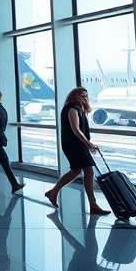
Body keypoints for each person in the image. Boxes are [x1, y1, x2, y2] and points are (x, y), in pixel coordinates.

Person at [44, 87, 110, 215]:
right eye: (81, 95)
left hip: (77, 145)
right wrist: (88, 143)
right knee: (86, 170)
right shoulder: (72, 109)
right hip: (74, 145)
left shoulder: (77, 109)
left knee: (79, 170)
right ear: (74, 96)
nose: (84, 98)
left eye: (86, 95)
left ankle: (54, 191)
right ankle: (92, 204)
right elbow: (75, 129)